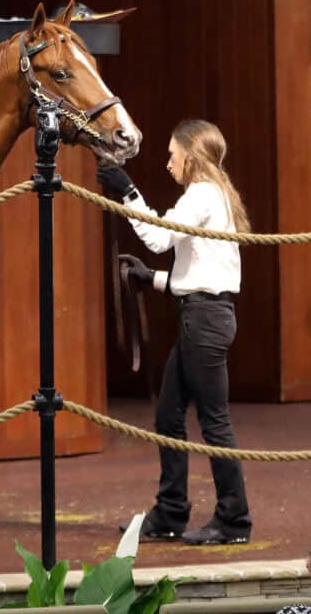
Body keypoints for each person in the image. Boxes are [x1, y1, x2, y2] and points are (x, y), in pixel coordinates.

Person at [99, 119, 252, 546]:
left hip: (204, 322)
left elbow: (158, 238)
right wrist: (154, 280)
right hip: (201, 315)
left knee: (214, 422)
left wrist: (127, 191)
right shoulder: (213, 195)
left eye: (171, 154)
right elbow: (203, 274)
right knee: (169, 416)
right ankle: (170, 511)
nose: (168, 163)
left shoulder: (202, 194)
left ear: (191, 153)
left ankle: (234, 518)